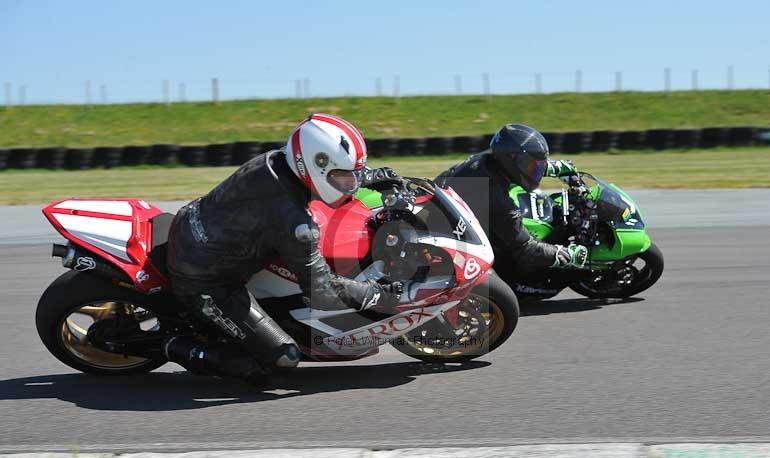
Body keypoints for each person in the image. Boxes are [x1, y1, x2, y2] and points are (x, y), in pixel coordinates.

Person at [164, 113, 402, 385]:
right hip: (205, 279)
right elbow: (321, 292)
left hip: (193, 222)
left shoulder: (278, 160)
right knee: (282, 358)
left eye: (353, 175)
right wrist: (374, 293)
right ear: (318, 165)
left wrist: (373, 177)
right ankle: (175, 346)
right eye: (345, 177)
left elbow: (327, 180)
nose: (351, 183)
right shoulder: (293, 223)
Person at [434, 124, 588, 282]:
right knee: (513, 265)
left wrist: (554, 167)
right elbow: (526, 250)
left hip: (445, 213)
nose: (536, 170)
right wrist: (565, 254)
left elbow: (521, 166)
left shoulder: (489, 160)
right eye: (532, 165)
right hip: (451, 246)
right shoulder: (496, 198)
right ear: (511, 159)